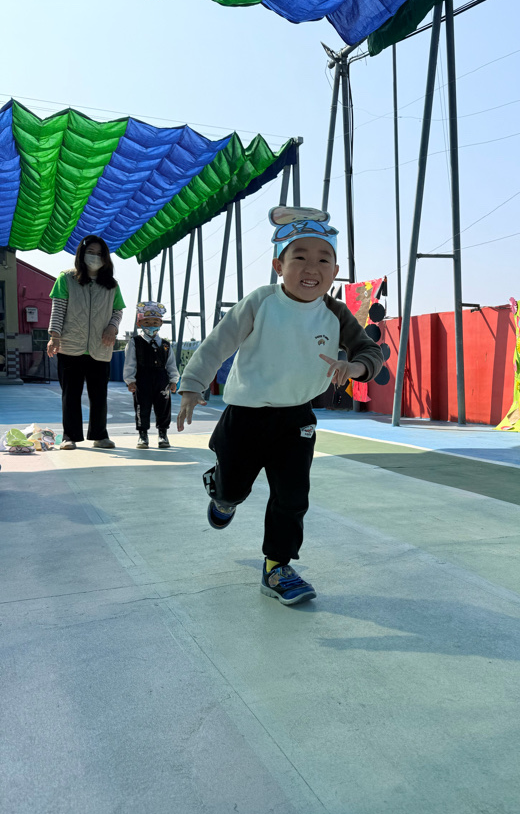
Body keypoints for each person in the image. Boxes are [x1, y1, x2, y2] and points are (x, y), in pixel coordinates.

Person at [176, 206, 383, 606]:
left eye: (323, 259)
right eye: (299, 257)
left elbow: (369, 351)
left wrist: (354, 366)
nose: (312, 267)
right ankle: (222, 493)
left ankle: (277, 567)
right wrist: (192, 386)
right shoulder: (261, 302)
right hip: (246, 414)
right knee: (234, 487)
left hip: (297, 418)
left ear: (335, 270)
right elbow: (218, 343)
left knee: (292, 495)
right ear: (279, 265)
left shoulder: (335, 312)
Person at [47, 235, 125, 450]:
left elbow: (117, 311)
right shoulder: (66, 278)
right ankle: (69, 436)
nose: (95, 257)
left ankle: (100, 436)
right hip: (70, 347)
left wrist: (112, 327)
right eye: (91, 252)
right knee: (70, 395)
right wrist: (54, 337)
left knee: (99, 395)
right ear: (81, 254)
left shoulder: (111, 285)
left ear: (106, 257)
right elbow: (58, 310)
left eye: (100, 254)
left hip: (100, 348)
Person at [123, 300, 179, 449]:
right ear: (139, 323)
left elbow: (171, 364)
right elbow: (130, 362)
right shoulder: (135, 342)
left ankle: (163, 434)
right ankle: (143, 435)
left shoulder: (166, 345)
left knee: (163, 406)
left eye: (155, 322)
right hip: (142, 378)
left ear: (160, 323)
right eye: (146, 322)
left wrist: (173, 380)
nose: (151, 325)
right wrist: (130, 380)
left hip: (162, 379)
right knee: (142, 406)